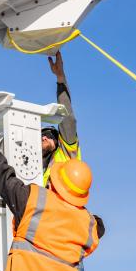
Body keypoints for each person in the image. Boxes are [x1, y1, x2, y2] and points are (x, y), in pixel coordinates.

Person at [0, 106, 104, 271]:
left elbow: (1, 173)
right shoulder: (87, 223)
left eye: (50, 135)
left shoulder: (33, 198)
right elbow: (100, 228)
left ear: (53, 181)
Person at [42, 51, 80, 188]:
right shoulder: (37, 169)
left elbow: (67, 118)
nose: (44, 138)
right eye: (41, 136)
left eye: (48, 136)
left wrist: (60, 77)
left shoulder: (67, 153)